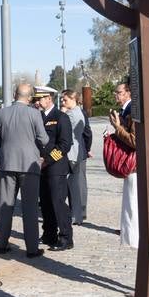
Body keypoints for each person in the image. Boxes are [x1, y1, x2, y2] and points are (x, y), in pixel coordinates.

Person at [0, 83, 49, 258]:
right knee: (29, 207)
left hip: (7, 163)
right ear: (30, 97)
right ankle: (32, 249)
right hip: (29, 164)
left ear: (15, 94)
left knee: (4, 206)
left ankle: (2, 244)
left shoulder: (1, 113)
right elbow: (44, 139)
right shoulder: (34, 113)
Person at [36, 91, 75, 251]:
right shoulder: (38, 117)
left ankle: (66, 237)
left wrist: (48, 160)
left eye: (40, 99)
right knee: (45, 202)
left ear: (49, 98)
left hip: (55, 166)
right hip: (40, 166)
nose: (37, 102)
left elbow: (65, 144)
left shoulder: (61, 117)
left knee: (57, 202)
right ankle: (49, 233)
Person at [109, 82, 139, 248]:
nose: (116, 95)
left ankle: (134, 236)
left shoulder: (133, 110)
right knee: (129, 201)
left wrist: (118, 128)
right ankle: (129, 232)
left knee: (133, 200)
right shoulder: (124, 110)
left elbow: (135, 141)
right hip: (128, 162)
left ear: (128, 93)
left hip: (134, 163)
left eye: (119, 92)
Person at [62, 89, 92, 226]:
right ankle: (77, 214)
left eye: (65, 100)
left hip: (73, 153)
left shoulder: (72, 115)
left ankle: (77, 215)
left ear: (73, 99)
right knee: (75, 185)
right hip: (76, 153)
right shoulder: (76, 112)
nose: (62, 102)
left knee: (75, 186)